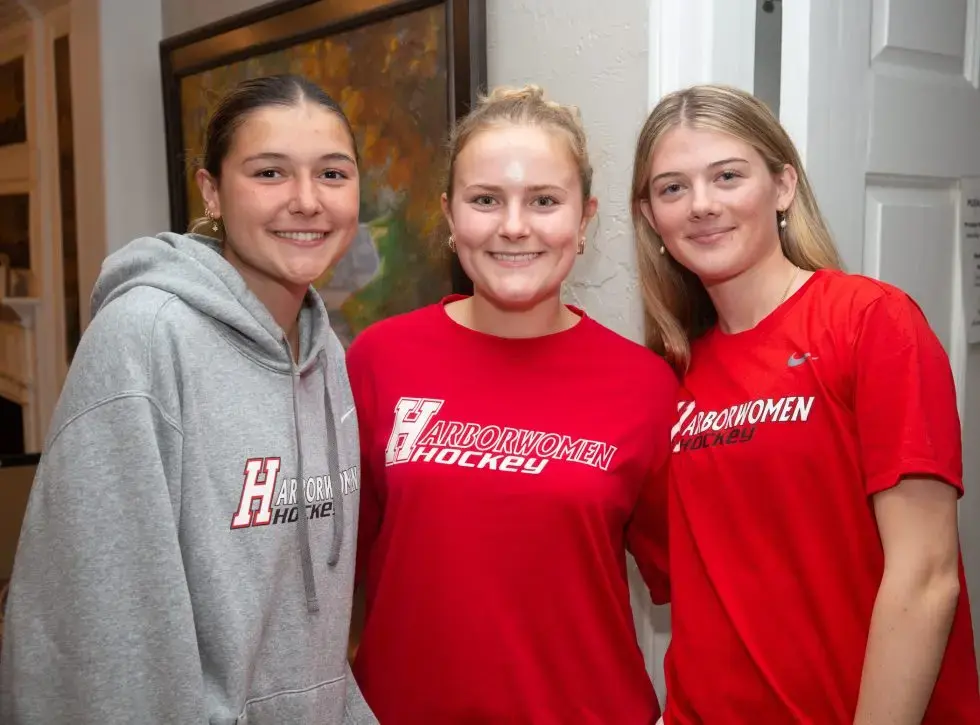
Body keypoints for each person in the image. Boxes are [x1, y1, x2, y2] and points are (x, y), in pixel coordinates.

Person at [0, 74, 377, 725]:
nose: (307, 201)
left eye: (333, 174)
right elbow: (104, 633)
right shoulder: (144, 338)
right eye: (269, 173)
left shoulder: (325, 355)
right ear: (211, 190)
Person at [630, 83, 980, 723]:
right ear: (651, 217)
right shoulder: (666, 375)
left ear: (783, 186)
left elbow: (927, 576)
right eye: (673, 188)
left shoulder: (870, 321)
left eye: (728, 176)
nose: (702, 205)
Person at [345, 85, 679, 724]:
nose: (514, 225)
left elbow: (706, 591)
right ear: (449, 215)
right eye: (485, 200)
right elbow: (323, 585)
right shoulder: (379, 360)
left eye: (545, 201)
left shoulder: (646, 385)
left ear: (584, 220)